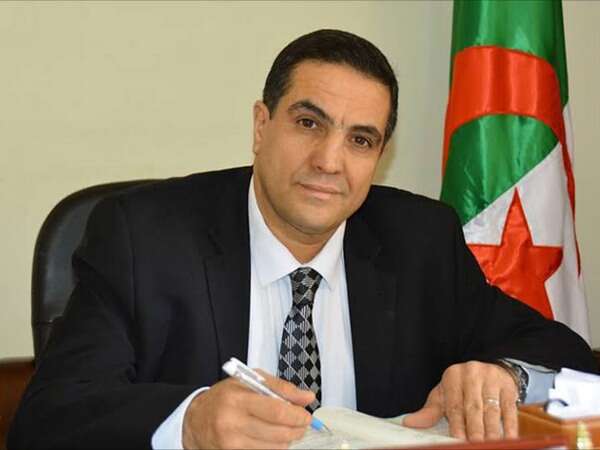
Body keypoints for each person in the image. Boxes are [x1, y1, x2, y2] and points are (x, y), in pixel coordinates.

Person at [8, 29, 597, 449]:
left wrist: (508, 375)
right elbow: (47, 419)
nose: (329, 161)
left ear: (378, 157)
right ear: (261, 126)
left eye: (360, 140)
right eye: (309, 123)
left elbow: (570, 356)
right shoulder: (143, 238)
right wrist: (189, 421)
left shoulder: (420, 242)